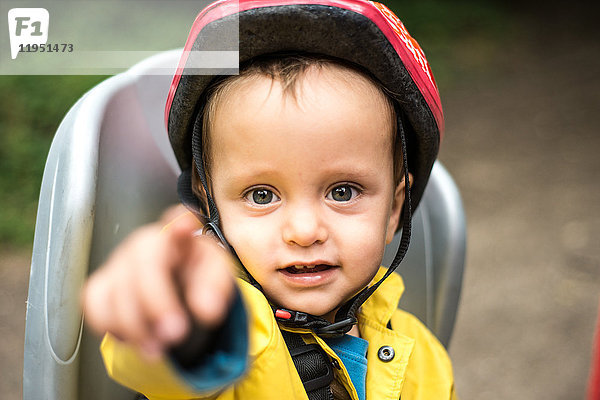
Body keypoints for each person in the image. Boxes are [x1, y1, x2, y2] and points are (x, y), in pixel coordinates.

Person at [82, 1, 456, 399]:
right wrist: (172, 308)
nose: (304, 231)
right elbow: (169, 357)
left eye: (342, 192)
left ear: (395, 208)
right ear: (209, 206)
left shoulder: (425, 359)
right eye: (262, 195)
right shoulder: (232, 334)